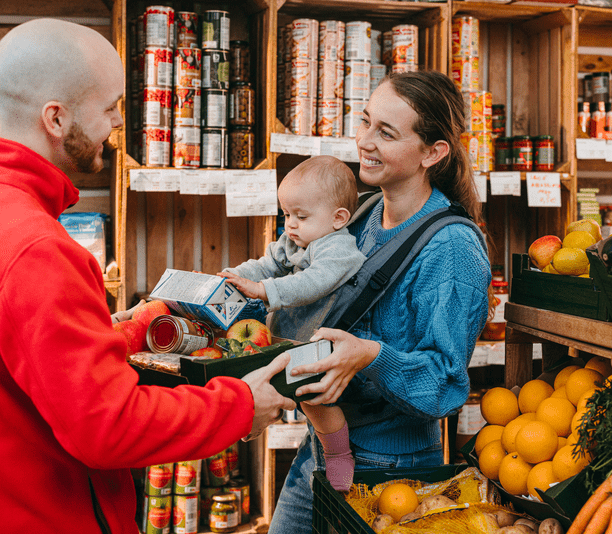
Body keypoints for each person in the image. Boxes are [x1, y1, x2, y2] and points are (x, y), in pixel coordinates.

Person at [0, 19, 296, 534]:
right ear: (55, 118)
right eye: (110, 106)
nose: (116, 124)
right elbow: (106, 426)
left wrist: (122, 330)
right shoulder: (39, 250)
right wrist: (242, 406)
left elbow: (29, 365)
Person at [266, 70, 492, 534]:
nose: (364, 142)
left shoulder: (451, 249)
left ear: (433, 153)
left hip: (391, 466)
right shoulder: (363, 213)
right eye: (365, 122)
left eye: (385, 133)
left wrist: (368, 355)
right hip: (321, 445)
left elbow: (445, 386)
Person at [217, 155, 367, 492]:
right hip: (287, 338)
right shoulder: (296, 239)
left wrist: (264, 290)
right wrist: (236, 276)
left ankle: (339, 454)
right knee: (259, 380)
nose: (291, 225)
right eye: (287, 214)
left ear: (338, 218)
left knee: (318, 403)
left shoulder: (339, 249)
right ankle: (249, 419)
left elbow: (313, 282)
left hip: (318, 343)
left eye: (301, 216)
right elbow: (266, 264)